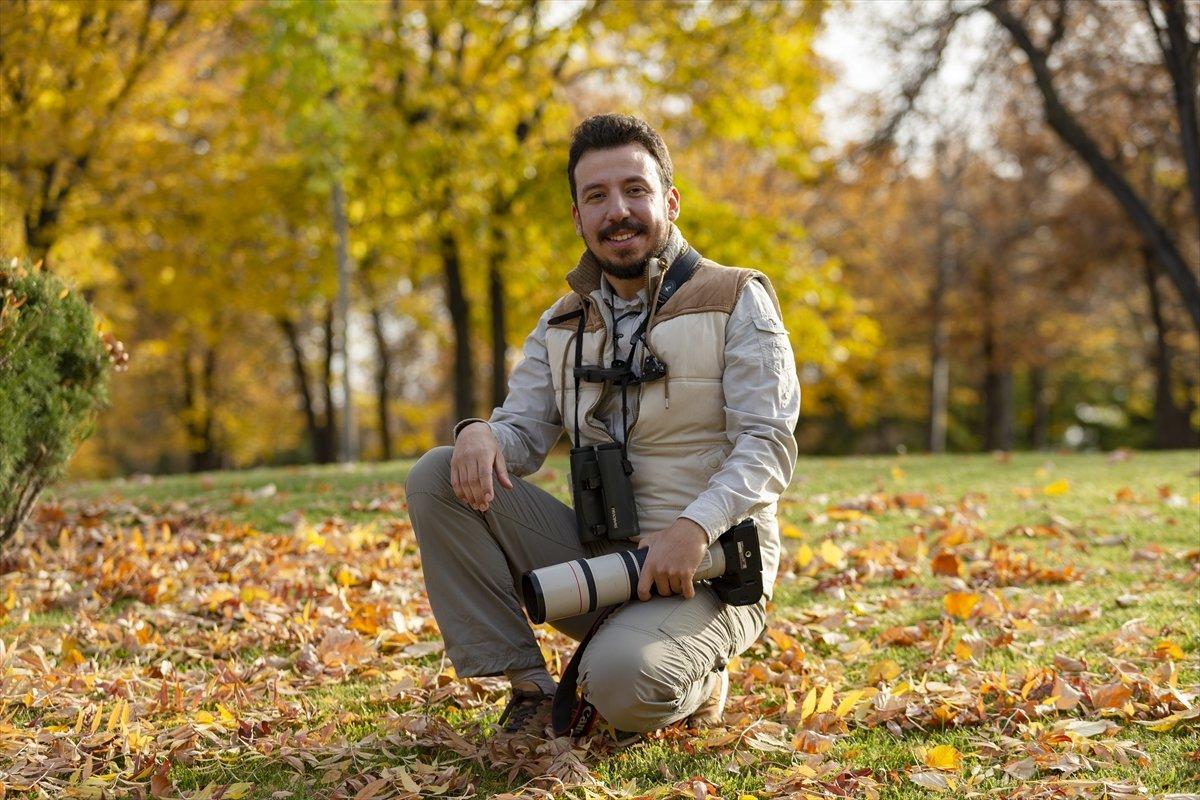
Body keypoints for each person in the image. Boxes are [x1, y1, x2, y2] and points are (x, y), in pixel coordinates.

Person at [406, 113, 799, 740]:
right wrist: (478, 432)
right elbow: (522, 438)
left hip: (711, 567)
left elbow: (769, 444)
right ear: (578, 216)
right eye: (597, 196)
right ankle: (531, 689)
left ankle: (696, 671)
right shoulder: (559, 324)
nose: (618, 210)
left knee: (621, 687)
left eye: (634, 190)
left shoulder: (736, 297)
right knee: (438, 473)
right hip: (599, 566)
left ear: (668, 200)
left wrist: (695, 527)